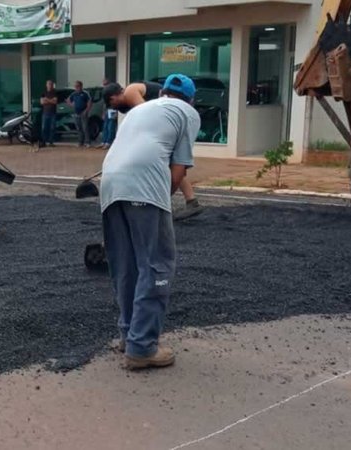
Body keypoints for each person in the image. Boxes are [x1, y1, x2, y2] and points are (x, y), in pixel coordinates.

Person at [100, 74, 200, 370]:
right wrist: (160, 201)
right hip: (144, 186)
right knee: (157, 264)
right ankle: (142, 347)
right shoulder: (188, 113)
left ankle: (128, 335)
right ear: (190, 100)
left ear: (163, 93)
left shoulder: (139, 110)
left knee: (126, 264)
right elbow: (178, 171)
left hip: (110, 185)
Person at [103, 81, 205, 221]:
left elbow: (149, 117)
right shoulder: (128, 103)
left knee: (174, 165)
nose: (112, 107)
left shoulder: (130, 92)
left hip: (168, 123)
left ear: (114, 96)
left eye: (111, 103)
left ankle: (159, 202)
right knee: (174, 165)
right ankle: (191, 201)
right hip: (166, 125)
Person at [66, 81, 92, 147]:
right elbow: (68, 100)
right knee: (79, 128)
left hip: (83, 112)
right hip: (76, 113)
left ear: (81, 86)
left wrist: (86, 110)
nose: (76, 87)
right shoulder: (74, 94)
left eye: (77, 86)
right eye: (75, 86)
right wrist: (71, 105)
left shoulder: (85, 93)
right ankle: (81, 142)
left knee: (85, 128)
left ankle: (88, 142)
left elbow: (89, 102)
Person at [40, 80, 58, 147]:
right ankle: (43, 142)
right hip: (45, 113)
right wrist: (51, 100)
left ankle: (51, 142)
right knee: (44, 128)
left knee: (52, 128)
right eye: (49, 84)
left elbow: (55, 102)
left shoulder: (55, 92)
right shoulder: (43, 93)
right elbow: (42, 102)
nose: (50, 85)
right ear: (46, 85)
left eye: (51, 84)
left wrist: (46, 99)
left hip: (53, 113)